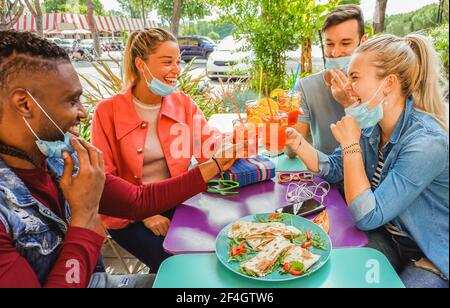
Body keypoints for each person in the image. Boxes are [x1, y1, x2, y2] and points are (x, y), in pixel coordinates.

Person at [0, 30, 238, 288]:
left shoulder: (59, 161)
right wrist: (84, 217)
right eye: (72, 101)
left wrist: (214, 165)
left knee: (193, 281)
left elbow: (138, 200)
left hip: (99, 279)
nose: (82, 113)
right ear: (24, 104)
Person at [285, 33, 449, 288]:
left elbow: (367, 215)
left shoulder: (427, 142)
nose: (347, 87)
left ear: (388, 84)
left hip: (431, 255)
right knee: (325, 266)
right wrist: (299, 143)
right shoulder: (373, 124)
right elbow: (335, 167)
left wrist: (351, 144)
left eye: (355, 77)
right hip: (389, 238)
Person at [91, 28, 222, 272]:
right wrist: (145, 214)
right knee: (173, 264)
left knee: (213, 247)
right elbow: (103, 179)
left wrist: (235, 144)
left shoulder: (183, 104)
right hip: (128, 214)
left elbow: (208, 147)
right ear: (141, 64)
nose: (176, 69)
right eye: (167, 62)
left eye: (178, 62)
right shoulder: (106, 112)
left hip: (176, 200)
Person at [286, 4, 368, 156]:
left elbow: (375, 148)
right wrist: (283, 120)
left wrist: (349, 102)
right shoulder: (305, 87)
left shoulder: (376, 86)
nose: (335, 53)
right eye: (329, 44)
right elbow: (291, 152)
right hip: (324, 176)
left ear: (362, 42)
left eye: (345, 43)